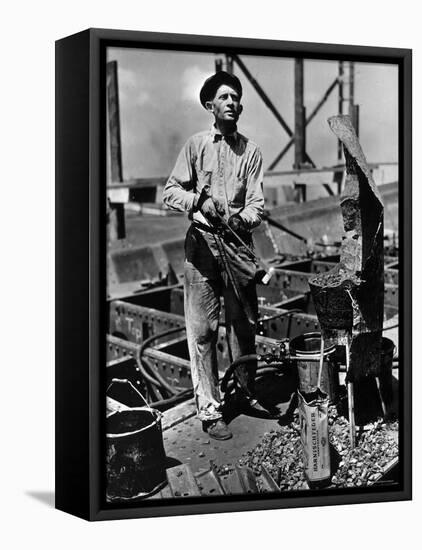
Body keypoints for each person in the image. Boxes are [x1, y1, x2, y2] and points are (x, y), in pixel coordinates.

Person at [163, 71, 266, 440]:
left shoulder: (251, 152)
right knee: (203, 332)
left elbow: (257, 203)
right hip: (203, 249)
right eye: (225, 97)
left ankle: (245, 393)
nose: (233, 103)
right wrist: (199, 200)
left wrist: (240, 217)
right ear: (210, 105)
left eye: (236, 98)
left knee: (243, 327)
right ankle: (210, 409)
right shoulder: (195, 145)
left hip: (238, 249)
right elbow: (170, 193)